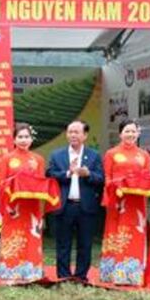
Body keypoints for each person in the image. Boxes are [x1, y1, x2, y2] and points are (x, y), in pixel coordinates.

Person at [100, 119, 150, 287]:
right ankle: (111, 273)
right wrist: (114, 189)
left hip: (137, 202)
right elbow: (107, 177)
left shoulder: (144, 155)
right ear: (120, 134)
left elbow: (149, 177)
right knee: (116, 233)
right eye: (127, 131)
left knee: (136, 232)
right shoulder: (111, 153)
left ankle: (132, 274)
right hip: (117, 200)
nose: (130, 134)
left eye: (133, 131)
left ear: (138, 134)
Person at [0, 123, 60, 285]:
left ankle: (32, 272)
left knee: (32, 237)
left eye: (26, 137)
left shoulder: (38, 159)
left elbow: (40, 185)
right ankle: (10, 273)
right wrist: (15, 182)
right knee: (12, 237)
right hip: (13, 207)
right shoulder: (6, 158)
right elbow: (0, 183)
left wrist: (41, 210)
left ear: (31, 139)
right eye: (20, 137)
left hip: (32, 208)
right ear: (14, 139)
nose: (23, 140)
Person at [46, 120, 104, 283]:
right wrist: (67, 173)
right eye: (70, 132)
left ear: (85, 135)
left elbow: (101, 179)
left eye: (76, 132)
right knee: (63, 243)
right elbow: (49, 174)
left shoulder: (94, 155)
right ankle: (63, 275)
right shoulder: (57, 155)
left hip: (86, 206)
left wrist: (88, 174)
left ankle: (81, 276)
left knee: (85, 243)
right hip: (65, 205)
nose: (73, 135)